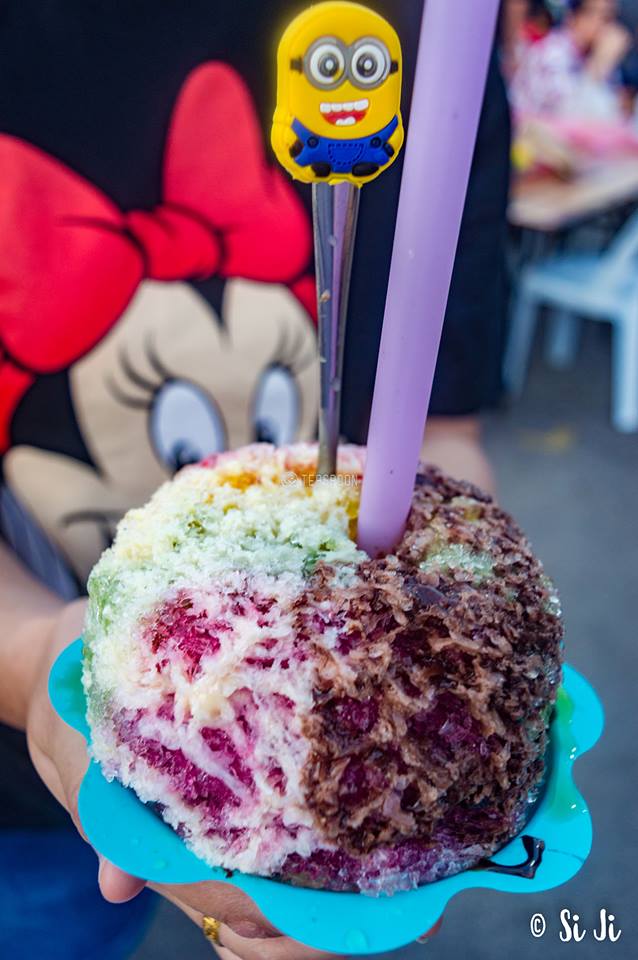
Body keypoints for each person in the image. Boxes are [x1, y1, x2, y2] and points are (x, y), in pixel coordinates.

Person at [0, 2, 510, 957]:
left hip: (348, 755)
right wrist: (35, 658)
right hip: (14, 791)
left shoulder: (444, 33)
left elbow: (442, 432)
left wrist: (437, 693)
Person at [511, 0, 632, 118]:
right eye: (601, 16)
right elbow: (571, 117)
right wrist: (598, 64)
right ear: (573, 17)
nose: (606, 26)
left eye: (610, 18)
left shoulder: (594, 55)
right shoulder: (552, 54)